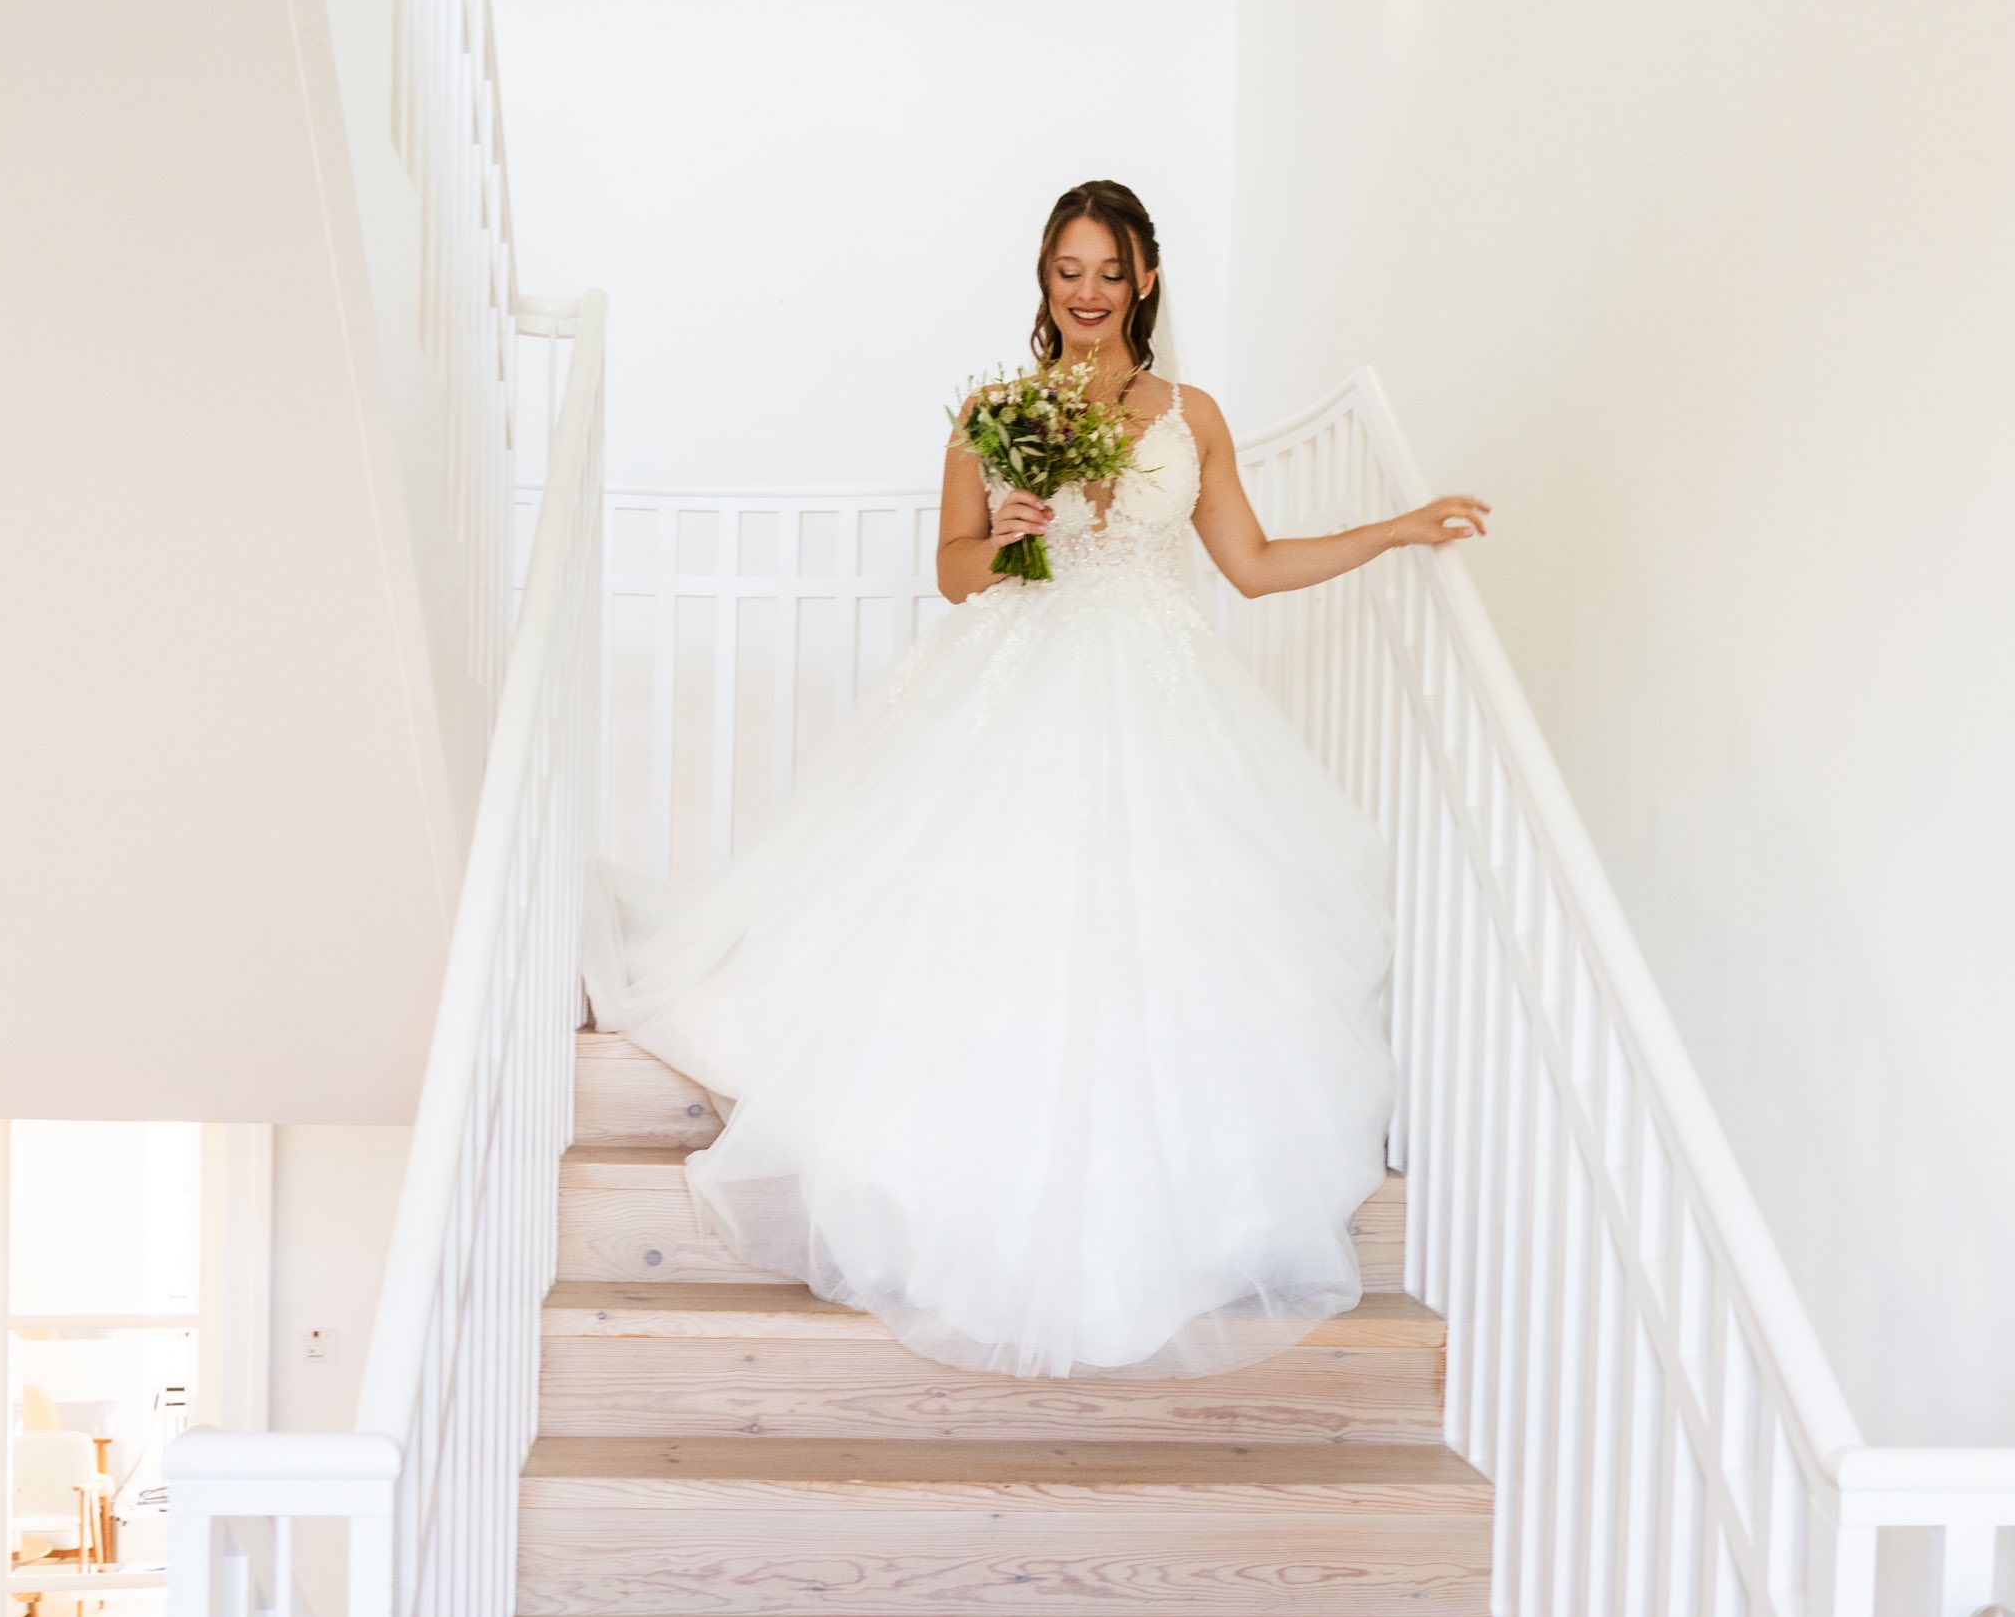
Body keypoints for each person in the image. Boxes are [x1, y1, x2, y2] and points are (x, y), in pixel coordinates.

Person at [583, 179, 1489, 1378]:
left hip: (1161, 697)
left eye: (1110, 272)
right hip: (1016, 673)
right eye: (1068, 270)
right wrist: (1011, 527)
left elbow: (1254, 565)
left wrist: (1394, 527)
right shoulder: (992, 409)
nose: (1089, 294)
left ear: (1146, 280)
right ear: (1044, 280)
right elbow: (956, 573)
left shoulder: (1192, 415)